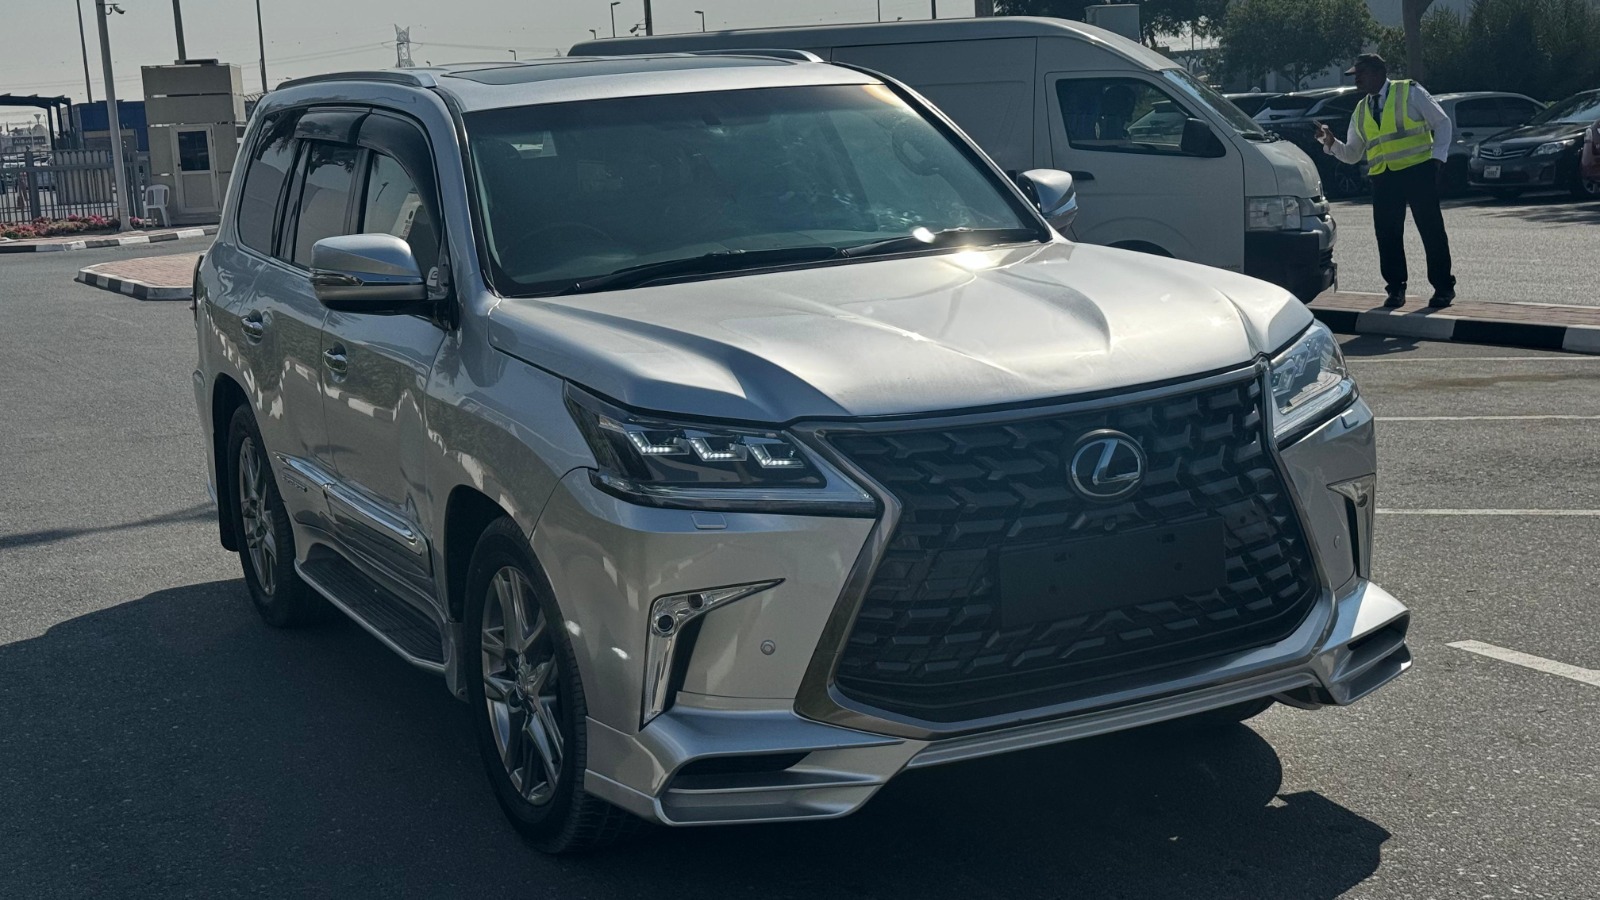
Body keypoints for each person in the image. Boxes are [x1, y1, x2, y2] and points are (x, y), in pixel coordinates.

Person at [1317, 53, 1456, 308]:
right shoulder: (1361, 110)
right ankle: (1395, 289)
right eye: (1355, 75)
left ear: (1379, 72)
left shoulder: (1409, 91)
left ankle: (1443, 288)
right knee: (1387, 235)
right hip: (1383, 177)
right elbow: (1352, 154)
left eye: (1361, 73)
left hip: (1418, 171)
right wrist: (1331, 143)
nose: (1357, 80)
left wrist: (1438, 158)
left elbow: (1442, 122)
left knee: (1431, 230)